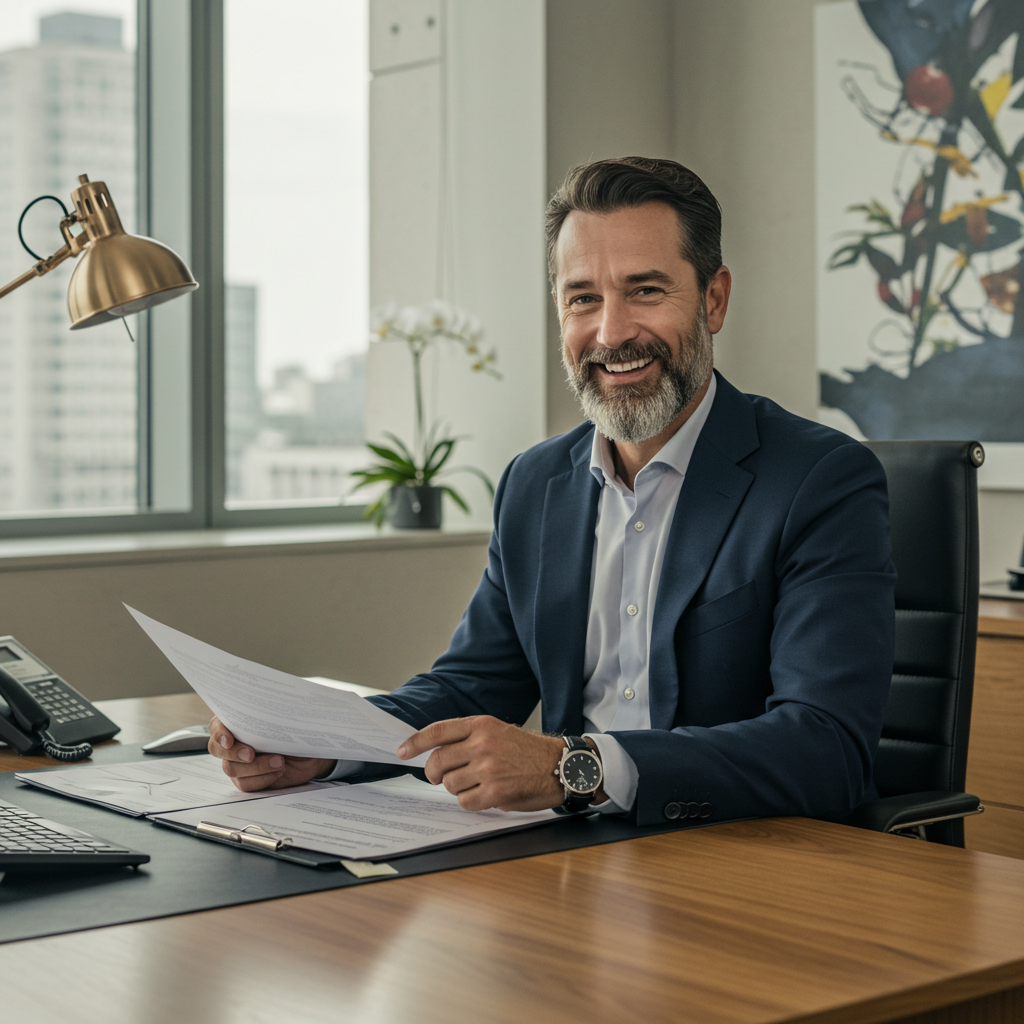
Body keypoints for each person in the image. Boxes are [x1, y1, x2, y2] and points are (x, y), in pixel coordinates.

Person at [209, 157, 896, 827]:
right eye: (583, 298)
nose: (612, 333)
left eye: (645, 291)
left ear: (713, 300)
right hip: (566, 860)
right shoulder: (535, 483)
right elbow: (470, 686)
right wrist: (321, 744)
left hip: (739, 857)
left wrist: (575, 768)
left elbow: (826, 746)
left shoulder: (819, 480)